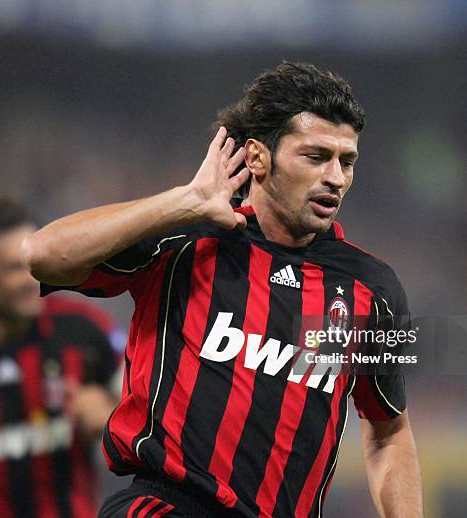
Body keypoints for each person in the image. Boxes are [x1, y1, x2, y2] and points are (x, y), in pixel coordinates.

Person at [23, 62, 423, 517]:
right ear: (257, 157)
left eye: (346, 161)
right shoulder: (185, 240)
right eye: (315, 157)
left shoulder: (374, 289)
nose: (335, 177)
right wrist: (183, 202)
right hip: (167, 505)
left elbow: (389, 431)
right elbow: (42, 255)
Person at [0, 197, 123, 518]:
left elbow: (155, 421)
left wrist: (114, 417)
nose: (32, 277)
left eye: (34, 263)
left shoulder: (84, 330)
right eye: (13, 268)